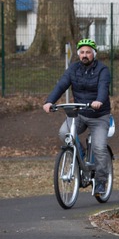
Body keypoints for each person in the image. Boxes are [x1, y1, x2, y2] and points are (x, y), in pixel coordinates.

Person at [43, 38, 112, 196]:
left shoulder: (102, 70)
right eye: (82, 52)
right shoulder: (73, 69)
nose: (85, 55)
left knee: (99, 147)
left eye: (88, 52)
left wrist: (99, 101)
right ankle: (79, 157)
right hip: (79, 113)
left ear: (94, 54)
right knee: (64, 134)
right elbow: (62, 84)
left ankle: (101, 180)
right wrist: (49, 101)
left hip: (99, 116)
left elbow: (103, 87)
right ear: (78, 54)